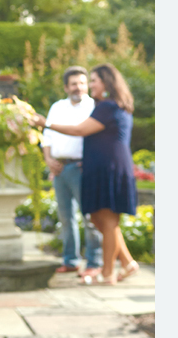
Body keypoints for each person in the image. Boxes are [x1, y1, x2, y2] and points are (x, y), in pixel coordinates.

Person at [34, 63, 139, 286]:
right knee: (102, 220)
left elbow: (80, 131)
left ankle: (107, 272)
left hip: (107, 168)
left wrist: (46, 123)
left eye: (93, 81)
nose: (89, 85)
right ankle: (127, 262)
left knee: (107, 220)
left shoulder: (107, 107)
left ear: (107, 83)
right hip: (104, 166)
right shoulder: (112, 105)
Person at [41, 66, 103, 280]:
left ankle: (95, 262)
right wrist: (49, 160)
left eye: (83, 83)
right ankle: (70, 260)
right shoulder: (57, 107)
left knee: (90, 217)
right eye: (74, 84)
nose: (79, 88)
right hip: (59, 168)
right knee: (65, 218)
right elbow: (46, 137)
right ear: (66, 87)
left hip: (82, 167)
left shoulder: (95, 107)